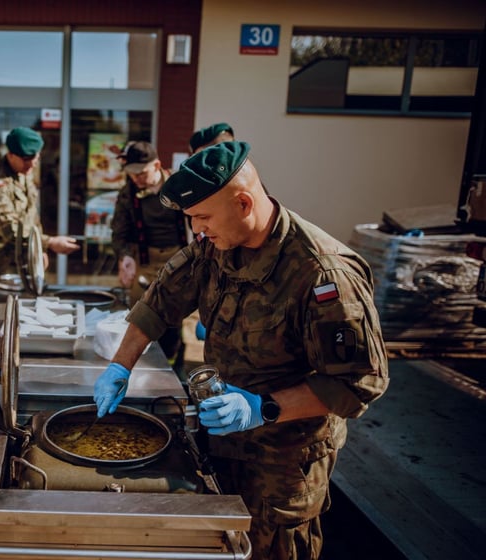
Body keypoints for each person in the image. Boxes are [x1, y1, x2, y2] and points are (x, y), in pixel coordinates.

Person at [93, 141, 389, 560]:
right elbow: (160, 300)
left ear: (244, 203)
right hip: (221, 444)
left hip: (283, 464)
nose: (198, 230)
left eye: (203, 217)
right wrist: (119, 366)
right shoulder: (215, 246)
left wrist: (262, 407)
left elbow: (360, 382)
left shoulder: (323, 274)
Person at [110, 140, 189, 367]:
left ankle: (172, 366)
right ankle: (140, 365)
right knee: (141, 315)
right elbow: (119, 232)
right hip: (144, 260)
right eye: (132, 174)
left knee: (173, 317)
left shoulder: (180, 185)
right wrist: (125, 256)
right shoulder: (128, 193)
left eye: (141, 173)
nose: (137, 179)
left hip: (178, 259)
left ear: (156, 165)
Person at [0, 126, 79, 278]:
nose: (32, 163)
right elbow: (11, 230)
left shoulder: (23, 173)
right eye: (26, 159)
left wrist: (40, 250)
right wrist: (49, 242)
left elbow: (32, 216)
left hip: (25, 264)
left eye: (36, 157)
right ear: (10, 155)